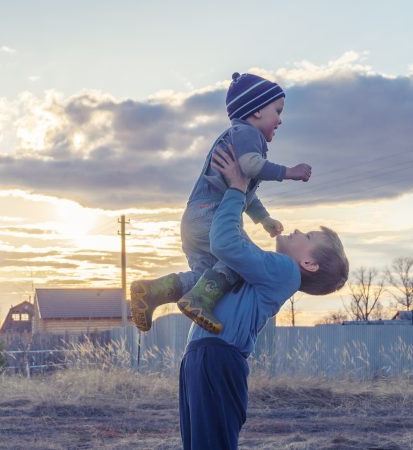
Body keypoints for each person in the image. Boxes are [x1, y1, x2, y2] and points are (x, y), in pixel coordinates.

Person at [179, 146, 349, 449]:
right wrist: (249, 204)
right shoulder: (271, 272)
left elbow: (226, 243)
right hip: (205, 354)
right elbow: (233, 249)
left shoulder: (285, 271)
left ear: (309, 264)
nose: (297, 230)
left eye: (308, 237)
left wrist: (237, 188)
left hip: (217, 357)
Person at [131, 72, 312, 334]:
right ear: (257, 110)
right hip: (211, 215)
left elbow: (246, 191)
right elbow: (251, 167)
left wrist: (263, 219)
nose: (280, 120)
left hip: (195, 219)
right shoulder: (248, 134)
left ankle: (151, 291)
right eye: (278, 110)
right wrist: (289, 172)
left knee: (207, 275)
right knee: (238, 257)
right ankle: (198, 301)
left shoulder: (238, 136)